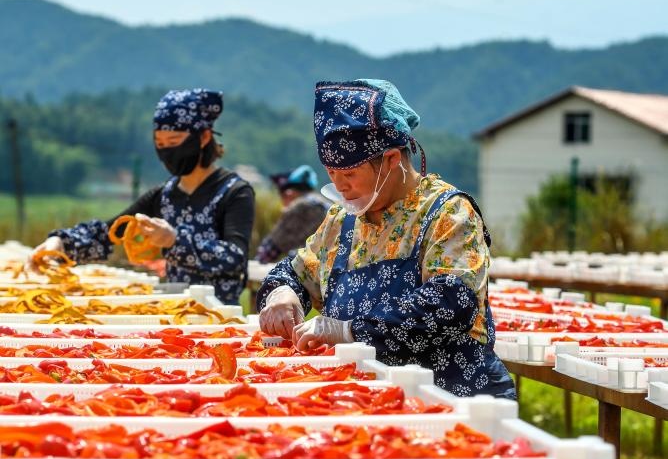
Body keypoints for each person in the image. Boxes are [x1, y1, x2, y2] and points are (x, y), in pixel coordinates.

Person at [257, 78, 515, 398]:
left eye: (350, 174)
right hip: (369, 398)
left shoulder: (447, 213)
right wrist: (283, 294)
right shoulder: (343, 219)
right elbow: (296, 271)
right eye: (331, 174)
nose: (340, 186)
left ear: (391, 160)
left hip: (450, 396)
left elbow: (452, 303)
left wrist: (349, 330)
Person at [26, 88, 255, 304]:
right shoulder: (164, 195)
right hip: (178, 311)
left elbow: (235, 259)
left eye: (174, 142)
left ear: (204, 137)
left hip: (222, 314)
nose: (167, 151)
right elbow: (111, 232)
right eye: (160, 144)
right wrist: (61, 243)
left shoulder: (234, 192)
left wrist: (174, 240)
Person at [255, 164, 328, 264]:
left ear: (289, 193)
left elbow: (273, 246)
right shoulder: (326, 206)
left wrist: (256, 264)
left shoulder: (300, 206)